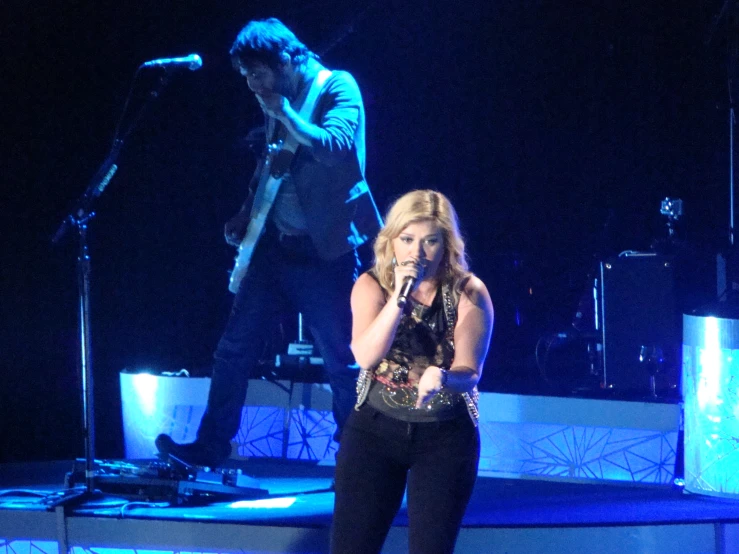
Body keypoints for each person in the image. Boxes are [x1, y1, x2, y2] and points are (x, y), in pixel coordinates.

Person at [156, 18, 383, 468]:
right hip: (274, 251)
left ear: (285, 61)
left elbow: (336, 147)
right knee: (233, 350)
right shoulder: (274, 101)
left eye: (257, 74)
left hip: (324, 254)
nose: (252, 85)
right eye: (246, 76)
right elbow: (271, 162)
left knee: (342, 362)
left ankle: (357, 461)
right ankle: (209, 449)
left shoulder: (338, 87)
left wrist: (284, 113)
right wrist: (247, 211)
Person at [330, 190, 494, 554]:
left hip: (444, 435)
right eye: (407, 240)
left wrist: (443, 377)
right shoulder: (371, 285)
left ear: (446, 244)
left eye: (429, 241)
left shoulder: (469, 291)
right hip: (373, 429)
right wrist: (400, 297)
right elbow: (366, 355)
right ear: (392, 241)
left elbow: (470, 369)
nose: (417, 253)